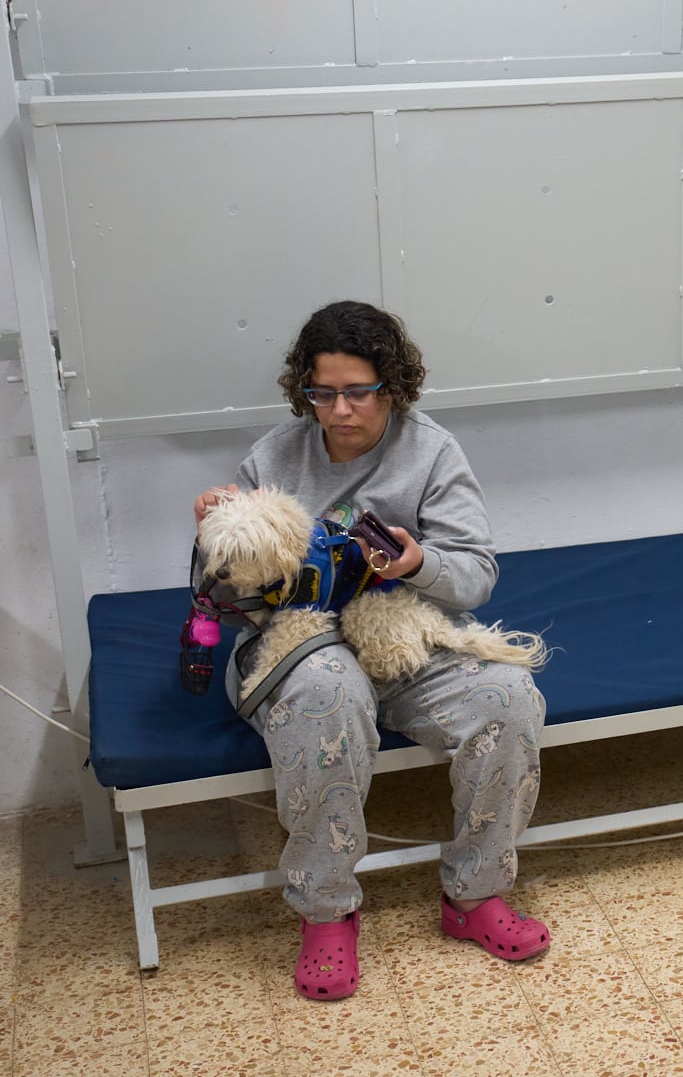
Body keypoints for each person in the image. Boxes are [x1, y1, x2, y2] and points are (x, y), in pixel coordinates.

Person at [193, 300, 549, 1001]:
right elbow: (233, 598)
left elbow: (475, 577)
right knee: (329, 693)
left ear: (393, 385)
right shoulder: (273, 457)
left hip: (401, 632)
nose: (339, 411)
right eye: (321, 393)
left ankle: (476, 894)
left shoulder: (432, 452)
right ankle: (326, 913)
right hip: (299, 644)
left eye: (358, 392)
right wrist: (217, 535)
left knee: (507, 698)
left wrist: (416, 562)